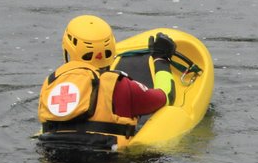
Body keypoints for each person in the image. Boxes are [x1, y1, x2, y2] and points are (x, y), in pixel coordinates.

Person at [37, 14, 173, 153]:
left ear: (67, 48)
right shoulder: (120, 86)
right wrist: (161, 59)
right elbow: (166, 96)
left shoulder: (50, 84)